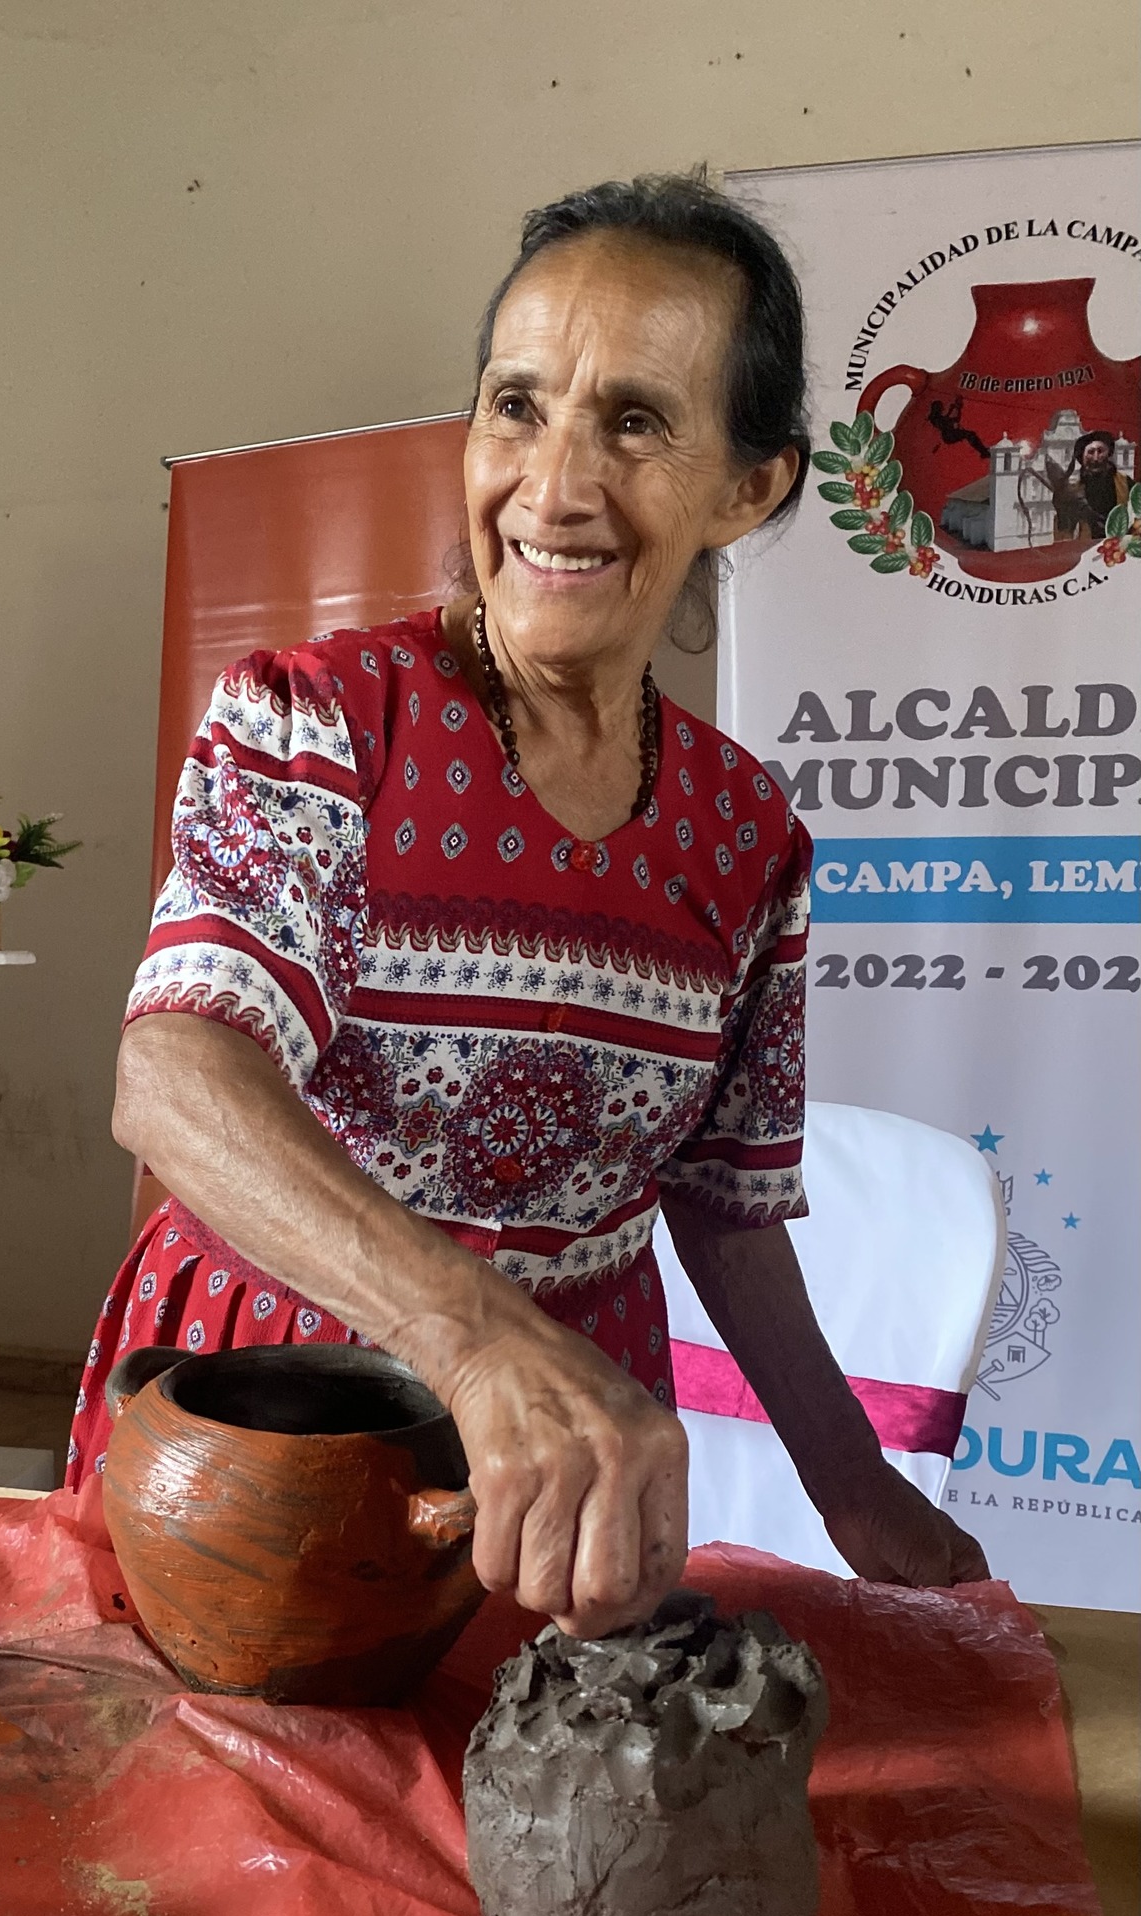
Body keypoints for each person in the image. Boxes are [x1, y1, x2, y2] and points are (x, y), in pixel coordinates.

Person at [67, 173, 989, 1636]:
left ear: (750, 487)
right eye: (516, 406)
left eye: (634, 422)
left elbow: (728, 1204)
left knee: (564, 1827)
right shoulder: (316, 730)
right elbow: (177, 1072)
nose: (553, 487)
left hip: (572, 1471)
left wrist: (850, 1475)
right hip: (270, 1429)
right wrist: (481, 1343)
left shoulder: (745, 837)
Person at [1046, 428, 1133, 541]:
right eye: (1090, 452)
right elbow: (1065, 531)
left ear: (1108, 454)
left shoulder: (1126, 483)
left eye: (1100, 451)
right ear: (1083, 458)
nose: (1096, 458)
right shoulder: (1075, 492)